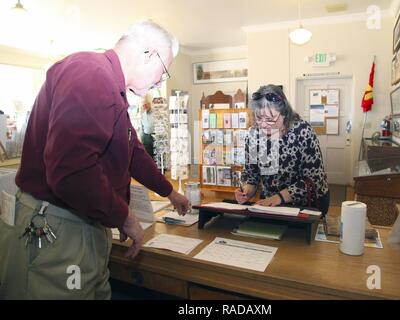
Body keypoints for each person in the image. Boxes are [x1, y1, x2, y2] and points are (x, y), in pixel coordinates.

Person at [0, 20, 189, 300]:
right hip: (58, 225)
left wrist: (170, 192)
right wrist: (123, 216)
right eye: (163, 73)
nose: (160, 82)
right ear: (149, 53)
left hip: (83, 222)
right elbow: (71, 171)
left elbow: (133, 152)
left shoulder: (112, 90)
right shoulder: (91, 73)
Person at [235, 84, 329, 213]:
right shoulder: (254, 134)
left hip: (306, 204)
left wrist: (279, 198)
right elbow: (251, 174)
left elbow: (314, 180)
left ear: (284, 113)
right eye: (259, 118)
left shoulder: (302, 131)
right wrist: (246, 191)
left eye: (269, 119)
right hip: (269, 203)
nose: (263, 125)